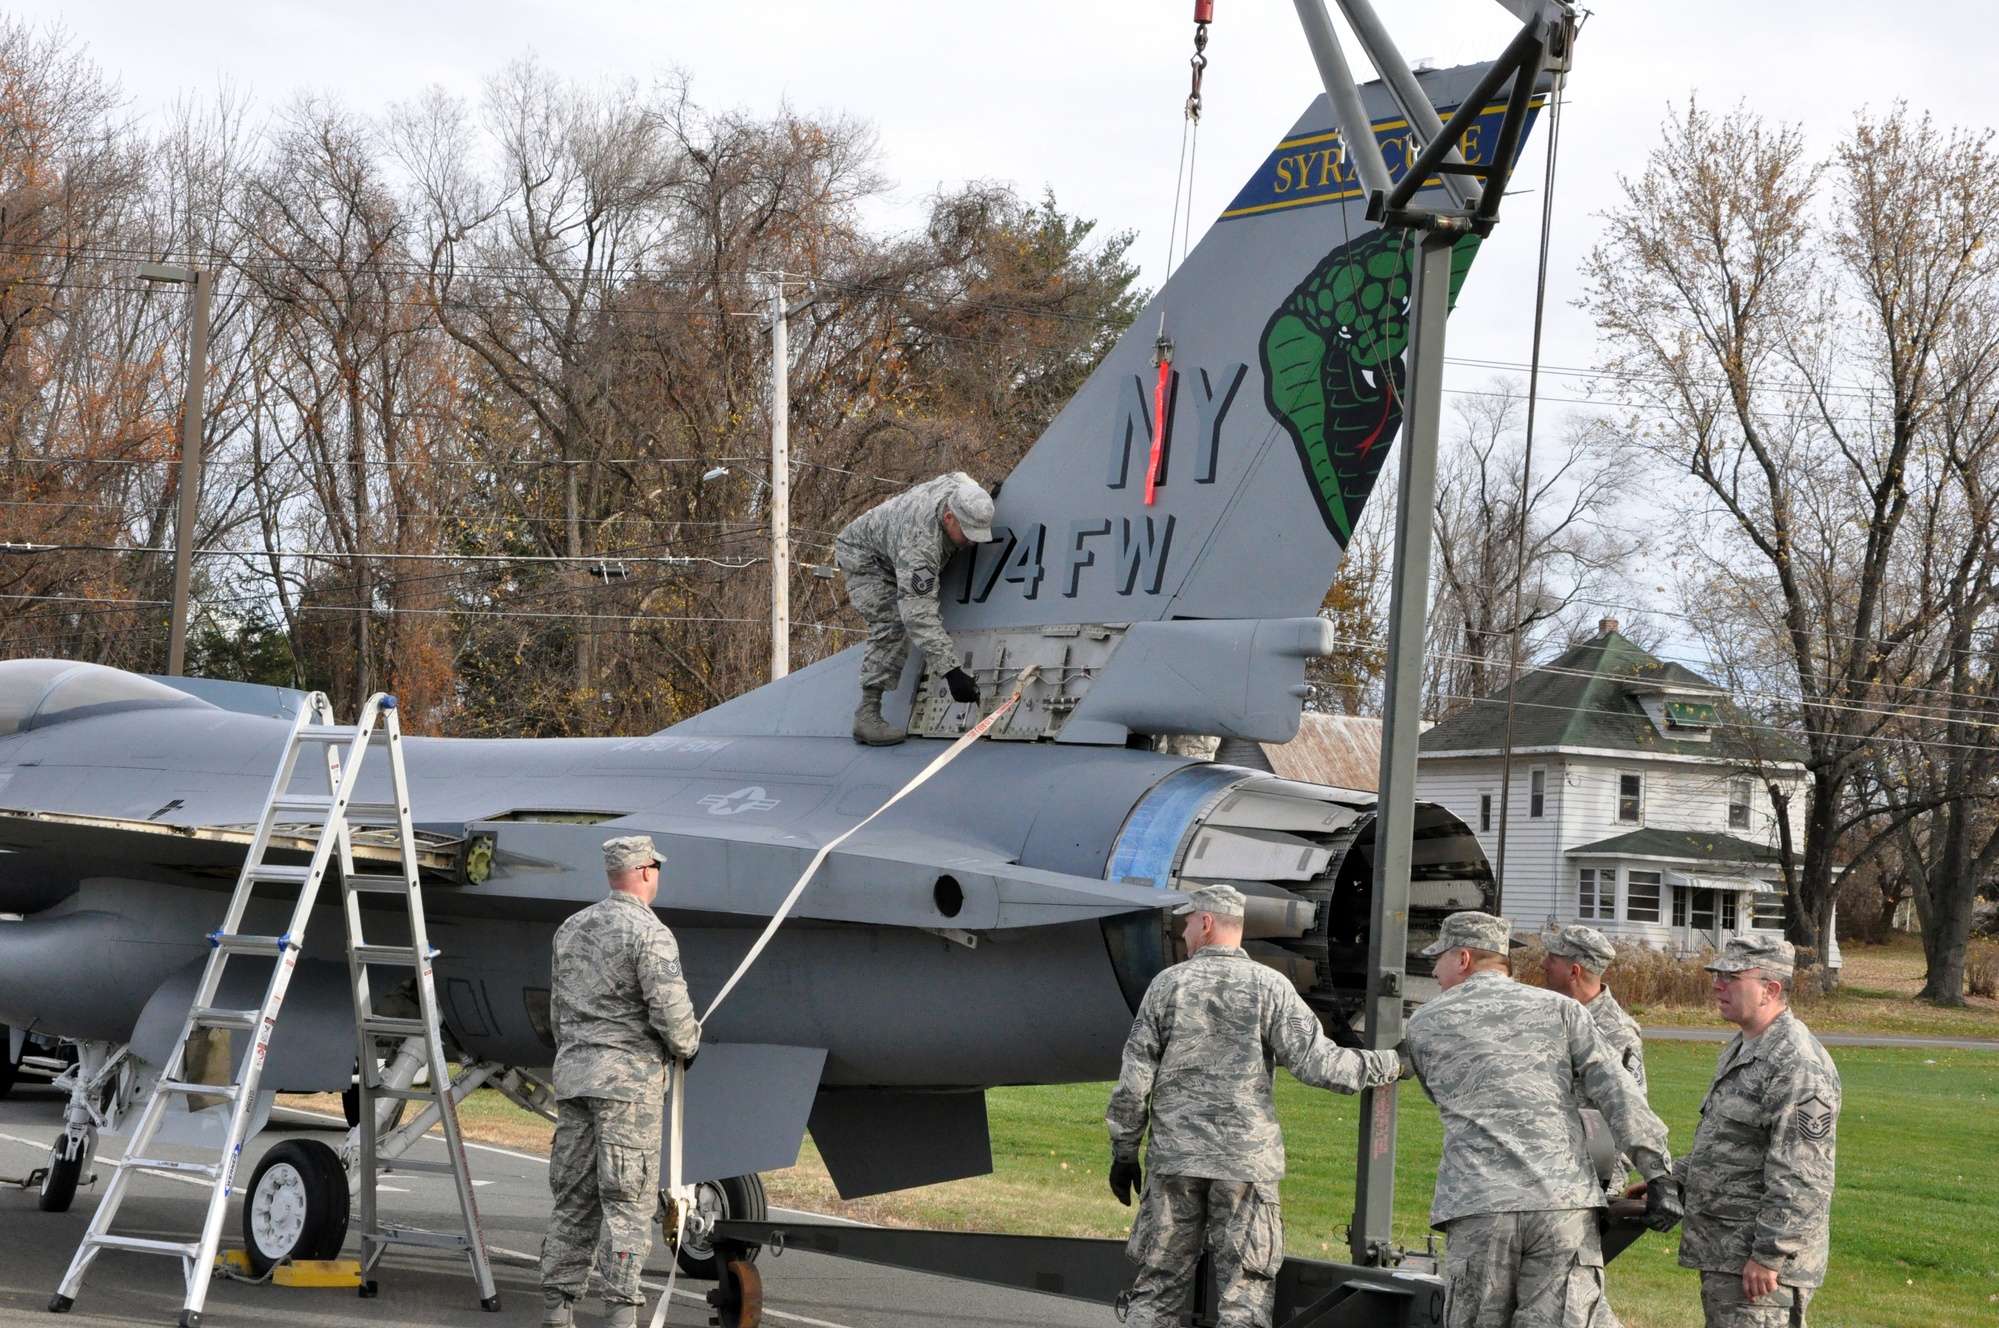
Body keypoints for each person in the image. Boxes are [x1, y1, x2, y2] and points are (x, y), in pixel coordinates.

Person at [1105, 884, 1405, 1328]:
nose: (1183, 931)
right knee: (1244, 1294)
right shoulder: (1270, 987)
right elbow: (1321, 1065)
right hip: (1245, 1165)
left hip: (1175, 1162)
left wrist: (1124, 1154)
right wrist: (1392, 1063)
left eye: (1187, 922)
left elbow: (1133, 1084)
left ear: (1206, 923)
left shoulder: (1167, 985)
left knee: (1157, 1288)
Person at [1403, 911, 1681, 1328]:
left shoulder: (1424, 1022)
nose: (1433, 968)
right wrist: (1658, 1173)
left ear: (1462, 958)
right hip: (1562, 1205)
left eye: (1438, 958)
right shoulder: (1562, 1010)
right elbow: (1619, 1093)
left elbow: (1439, 1093)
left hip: (1480, 1205)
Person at [1631, 936, 1840, 1328]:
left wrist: (1769, 1256)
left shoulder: (1798, 1064)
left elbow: (1805, 1174)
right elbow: (1726, 1141)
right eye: (1717, 976)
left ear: (1770, 989)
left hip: (1759, 1270)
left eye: (1731, 977)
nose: (1716, 985)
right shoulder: (1744, 1047)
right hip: (1727, 1251)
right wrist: (1675, 1179)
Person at [540, 836, 702, 1328]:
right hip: (627, 1088)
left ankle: (556, 1308)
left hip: (574, 1079)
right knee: (626, 1202)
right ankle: (619, 1314)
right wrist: (688, 1045)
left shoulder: (571, 928)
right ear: (646, 870)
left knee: (573, 1198)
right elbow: (672, 1014)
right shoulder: (649, 933)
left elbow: (558, 1011)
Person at [834, 472, 998, 746]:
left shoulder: (966, 489)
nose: (972, 542)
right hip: (865, 558)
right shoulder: (921, 547)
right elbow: (917, 615)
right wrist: (952, 671)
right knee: (893, 624)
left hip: (895, 543)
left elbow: (958, 474)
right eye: (968, 534)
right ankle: (867, 714)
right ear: (949, 519)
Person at [1542, 923, 1649, 1328]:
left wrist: (1606, 1185)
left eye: (1551, 959)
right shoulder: (1556, 1014)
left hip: (1588, 1177)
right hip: (1551, 1173)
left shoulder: (1615, 1031)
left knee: (1574, 1288)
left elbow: (1630, 1112)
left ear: (1573, 970)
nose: (1542, 965)